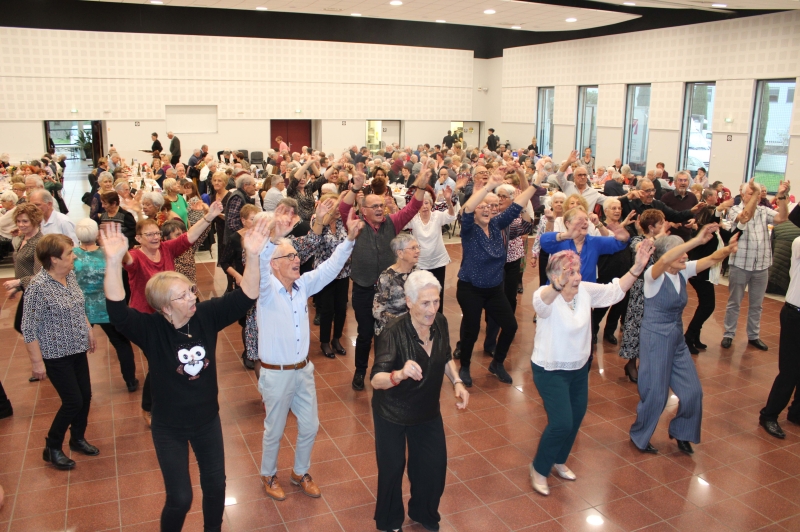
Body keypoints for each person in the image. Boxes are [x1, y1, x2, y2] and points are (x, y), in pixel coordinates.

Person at [103, 217, 265, 531]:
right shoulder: (151, 329)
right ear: (164, 307)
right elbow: (117, 311)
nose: (192, 297)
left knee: (216, 487)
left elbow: (247, 295)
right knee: (180, 498)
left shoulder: (205, 315)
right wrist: (112, 261)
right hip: (169, 428)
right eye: (183, 295)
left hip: (207, 420)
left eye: (191, 290)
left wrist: (255, 256)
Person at [256, 204, 362, 502]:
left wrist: (350, 240)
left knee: (311, 425)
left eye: (296, 255)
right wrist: (275, 237)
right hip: (275, 375)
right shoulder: (265, 291)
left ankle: (299, 472)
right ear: (274, 264)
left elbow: (329, 268)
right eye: (289, 256)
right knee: (274, 431)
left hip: (303, 370)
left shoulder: (302, 285)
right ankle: (268, 474)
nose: (296, 259)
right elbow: (263, 256)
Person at [529, 243, 653, 495]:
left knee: (575, 419)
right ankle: (539, 469)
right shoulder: (544, 295)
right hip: (550, 368)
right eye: (568, 272)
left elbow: (614, 291)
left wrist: (638, 266)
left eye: (576, 271)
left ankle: (558, 460)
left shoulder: (584, 291)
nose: (575, 277)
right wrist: (555, 285)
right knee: (561, 422)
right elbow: (541, 306)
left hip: (578, 369)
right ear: (554, 276)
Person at [370, 270, 468, 531]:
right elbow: (375, 380)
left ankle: (423, 512)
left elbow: (445, 355)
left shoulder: (441, 323)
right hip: (392, 412)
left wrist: (457, 381)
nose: (432, 308)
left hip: (426, 410)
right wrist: (399, 374)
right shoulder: (393, 333)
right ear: (409, 302)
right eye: (425, 303)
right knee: (392, 470)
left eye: (436, 301)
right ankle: (390, 521)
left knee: (433, 468)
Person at [630, 227, 739, 454]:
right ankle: (639, 434)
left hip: (676, 338)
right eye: (680, 252)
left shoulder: (682, 271)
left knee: (692, 392)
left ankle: (681, 432)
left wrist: (728, 248)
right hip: (655, 339)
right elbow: (667, 258)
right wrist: (696, 240)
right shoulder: (653, 275)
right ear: (665, 256)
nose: (686, 256)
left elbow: (712, 258)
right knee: (656, 395)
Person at [123, 203, 224, 425]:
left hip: (172, 316)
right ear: (138, 238)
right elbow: (125, 261)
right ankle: (150, 406)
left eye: (157, 233)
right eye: (149, 234)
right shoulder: (135, 256)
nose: (155, 237)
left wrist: (209, 216)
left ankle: (173, 395)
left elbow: (189, 237)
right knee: (159, 361)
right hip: (148, 319)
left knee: (168, 359)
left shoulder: (167, 249)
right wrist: (116, 250)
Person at [339, 167, 430, 391]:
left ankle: (382, 371)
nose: (380, 209)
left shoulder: (392, 222)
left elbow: (413, 208)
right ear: (364, 210)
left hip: (391, 292)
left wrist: (420, 185)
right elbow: (343, 208)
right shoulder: (356, 225)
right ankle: (360, 371)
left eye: (381, 205)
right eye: (375, 206)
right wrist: (356, 187)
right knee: (365, 333)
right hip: (364, 288)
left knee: (388, 332)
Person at [22, 234, 99, 470]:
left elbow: (78, 305)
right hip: (56, 355)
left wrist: (88, 329)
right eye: (69, 253)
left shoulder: (70, 275)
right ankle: (52, 446)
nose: (74, 256)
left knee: (85, 396)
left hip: (77, 348)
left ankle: (77, 439)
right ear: (54, 259)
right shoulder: (38, 287)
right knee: (72, 401)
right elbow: (28, 328)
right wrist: (37, 363)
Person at [456, 167, 539, 386]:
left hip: (494, 289)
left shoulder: (497, 224)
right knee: (471, 331)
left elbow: (517, 205)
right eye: (482, 207)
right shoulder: (469, 229)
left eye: (490, 207)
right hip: (470, 288)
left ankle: (497, 363)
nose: (486, 210)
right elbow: (468, 208)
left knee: (510, 326)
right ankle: (464, 366)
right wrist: (489, 186)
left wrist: (535, 185)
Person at [722, 179, 791, 350]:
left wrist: (781, 197)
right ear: (744, 195)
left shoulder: (763, 210)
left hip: (761, 265)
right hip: (740, 263)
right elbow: (745, 217)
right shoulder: (735, 210)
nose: (757, 196)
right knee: (734, 302)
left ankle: (753, 335)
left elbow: (782, 217)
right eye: (752, 193)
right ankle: (729, 334)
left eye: (758, 194)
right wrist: (755, 193)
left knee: (757, 304)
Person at [73, 219, 138, 392]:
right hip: (108, 307)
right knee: (122, 344)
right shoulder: (109, 253)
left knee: (78, 348)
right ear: (96, 234)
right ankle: (130, 380)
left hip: (82, 309)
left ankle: (78, 384)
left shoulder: (73, 255)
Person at [618, 209, 667, 381]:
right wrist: (659, 237)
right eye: (661, 223)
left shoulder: (664, 241)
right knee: (637, 325)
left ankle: (647, 362)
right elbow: (641, 247)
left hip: (659, 287)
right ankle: (631, 363)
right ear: (652, 227)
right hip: (641, 289)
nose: (664, 226)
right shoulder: (638, 240)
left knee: (653, 326)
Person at [760, 233, 800, 439]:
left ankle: (796, 413)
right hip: (795, 314)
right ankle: (769, 415)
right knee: (790, 370)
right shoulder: (798, 241)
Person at [306, 194, 353, 358]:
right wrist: (337, 203)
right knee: (327, 309)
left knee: (341, 309)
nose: (337, 210)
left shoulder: (342, 223)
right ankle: (325, 342)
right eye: (333, 207)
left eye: (339, 207)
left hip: (343, 272)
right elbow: (322, 224)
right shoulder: (317, 221)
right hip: (325, 274)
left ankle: (336, 339)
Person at [539, 207, 630, 283]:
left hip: (585, 293)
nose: (585, 222)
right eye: (580, 219)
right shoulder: (560, 241)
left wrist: (624, 238)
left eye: (586, 219)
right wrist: (566, 235)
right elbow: (544, 241)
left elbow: (618, 244)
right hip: (559, 293)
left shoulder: (594, 242)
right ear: (568, 223)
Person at [591, 198, 638, 344]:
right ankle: (592, 331)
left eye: (619, 208)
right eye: (614, 208)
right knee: (602, 304)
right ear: (605, 211)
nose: (617, 211)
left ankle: (610, 331)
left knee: (620, 304)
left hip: (625, 271)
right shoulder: (599, 227)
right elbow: (608, 237)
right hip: (606, 271)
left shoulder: (628, 227)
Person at [5, 203, 44, 335]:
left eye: (25, 221)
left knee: (26, 327)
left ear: (35, 221)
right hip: (27, 290)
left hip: (36, 293)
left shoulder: (39, 243)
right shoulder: (23, 237)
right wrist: (18, 287)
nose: (21, 225)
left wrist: (18, 283)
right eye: (18, 221)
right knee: (25, 328)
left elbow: (40, 275)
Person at [373, 234, 420, 336]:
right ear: (400, 253)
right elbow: (378, 312)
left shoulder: (417, 272)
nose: (417, 251)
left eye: (417, 247)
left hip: (414, 328)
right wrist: (404, 324)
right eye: (413, 248)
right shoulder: (387, 277)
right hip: (392, 330)